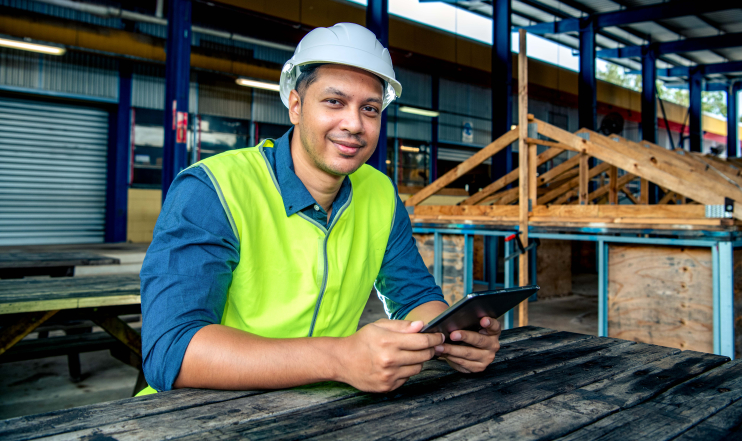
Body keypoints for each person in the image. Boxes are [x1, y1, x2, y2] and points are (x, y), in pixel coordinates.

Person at [138, 23, 501, 395]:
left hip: (324, 409)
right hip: (197, 415)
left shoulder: (378, 193)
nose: (354, 124)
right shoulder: (213, 188)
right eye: (334, 102)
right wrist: (338, 358)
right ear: (296, 105)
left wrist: (452, 337)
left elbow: (414, 297)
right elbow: (171, 351)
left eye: (370, 109)